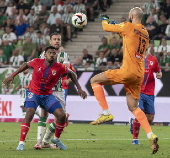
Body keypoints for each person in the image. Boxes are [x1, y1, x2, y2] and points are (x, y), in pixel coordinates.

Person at [90, 7, 159, 154]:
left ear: (131, 15)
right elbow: (131, 38)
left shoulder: (128, 26)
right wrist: (120, 27)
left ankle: (106, 112)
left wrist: (104, 19)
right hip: (139, 74)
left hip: (127, 71)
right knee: (133, 107)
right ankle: (150, 135)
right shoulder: (146, 33)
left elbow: (106, 27)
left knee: (94, 80)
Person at [3, 46, 87, 151]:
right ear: (45, 54)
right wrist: (13, 75)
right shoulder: (37, 61)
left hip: (47, 95)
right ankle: (21, 143)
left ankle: (56, 139)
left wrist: (79, 88)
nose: (52, 54)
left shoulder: (59, 67)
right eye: (50, 53)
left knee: (61, 116)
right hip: (33, 93)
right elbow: (25, 65)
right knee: (29, 113)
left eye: (54, 53)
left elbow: (72, 74)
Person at [35, 33, 70, 149]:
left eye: (58, 39)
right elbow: (40, 69)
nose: (57, 41)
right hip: (46, 89)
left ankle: (45, 141)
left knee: (61, 117)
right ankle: (39, 141)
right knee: (43, 114)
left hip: (59, 90)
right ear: (50, 41)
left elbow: (64, 71)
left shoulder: (65, 55)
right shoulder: (42, 54)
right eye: (54, 39)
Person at [129, 46, 162, 145]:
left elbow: (158, 71)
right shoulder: (135, 59)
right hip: (139, 92)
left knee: (150, 118)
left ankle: (133, 122)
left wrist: (159, 75)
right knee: (141, 113)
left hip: (150, 92)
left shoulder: (153, 59)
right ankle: (135, 139)